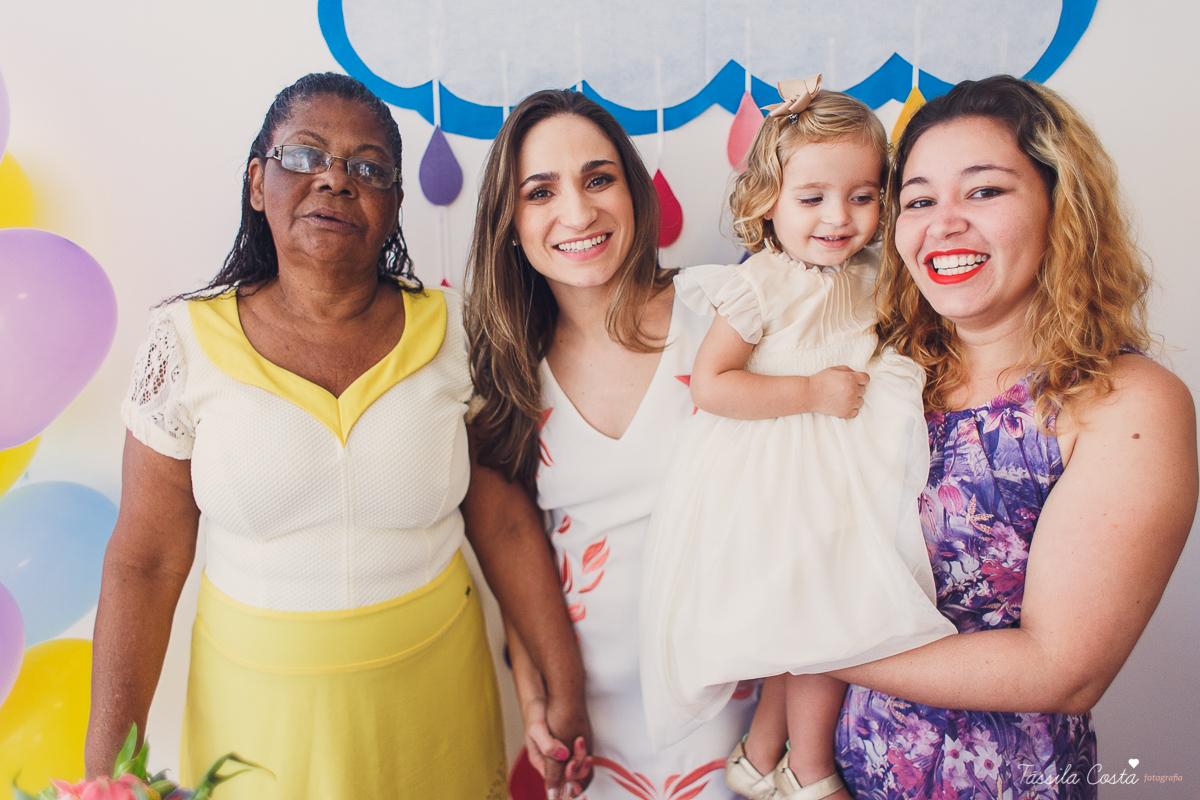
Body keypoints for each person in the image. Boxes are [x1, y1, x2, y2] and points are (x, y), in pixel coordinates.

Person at [84, 73, 588, 799]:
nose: (335, 180)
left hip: (434, 699)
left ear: (394, 205)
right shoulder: (183, 342)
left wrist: (565, 685)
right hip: (254, 718)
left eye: (368, 167)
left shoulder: (457, 329)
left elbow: (504, 522)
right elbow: (145, 562)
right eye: (304, 156)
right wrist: (105, 775)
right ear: (256, 183)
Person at [830, 75, 1196, 800]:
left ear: (1063, 208)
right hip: (840, 776)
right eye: (919, 201)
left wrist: (795, 643)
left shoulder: (1126, 403)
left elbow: (1062, 670)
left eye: (985, 191)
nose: (944, 224)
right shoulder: (879, 375)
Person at [639, 77, 956, 800]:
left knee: (805, 620)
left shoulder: (874, 272)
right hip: (780, 473)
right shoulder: (761, 285)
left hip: (847, 462)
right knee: (824, 619)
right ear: (767, 203)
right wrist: (811, 392)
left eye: (862, 196)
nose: (838, 217)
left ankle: (760, 756)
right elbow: (712, 385)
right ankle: (809, 766)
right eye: (812, 198)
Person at [466, 89, 756, 800]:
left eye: (598, 179)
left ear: (633, 193)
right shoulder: (506, 370)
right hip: (592, 730)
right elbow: (518, 552)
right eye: (541, 192)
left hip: (743, 711)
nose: (577, 212)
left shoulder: (725, 314)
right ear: (511, 223)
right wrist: (536, 697)